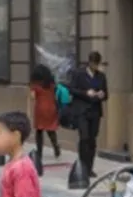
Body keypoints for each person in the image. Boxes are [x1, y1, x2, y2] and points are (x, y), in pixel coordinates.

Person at [68, 51, 107, 182]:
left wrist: (102, 94)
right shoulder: (79, 74)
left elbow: (106, 93)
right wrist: (86, 93)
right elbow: (72, 89)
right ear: (89, 63)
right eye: (94, 64)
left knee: (92, 139)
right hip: (82, 111)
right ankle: (82, 166)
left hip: (95, 111)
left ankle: (90, 167)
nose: (96, 67)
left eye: (98, 65)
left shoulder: (101, 76)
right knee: (84, 138)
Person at [29, 65, 61, 173]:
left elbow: (33, 97)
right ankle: (56, 147)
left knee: (39, 131)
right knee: (51, 129)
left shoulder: (36, 86)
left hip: (40, 109)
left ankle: (40, 152)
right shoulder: (51, 85)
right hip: (51, 108)